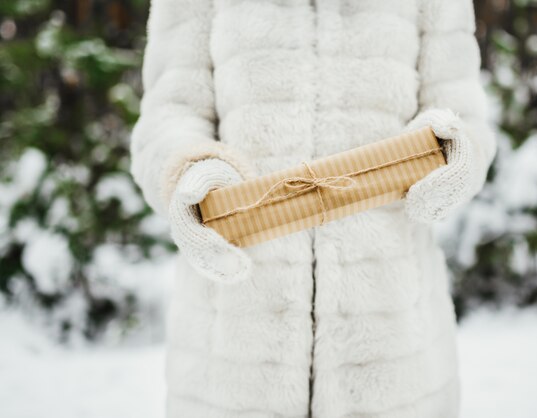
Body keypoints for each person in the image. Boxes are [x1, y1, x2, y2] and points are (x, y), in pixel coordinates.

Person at [130, 0, 496, 416]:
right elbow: (169, 115)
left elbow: (463, 115)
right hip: (234, 343)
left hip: (392, 341)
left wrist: (455, 156)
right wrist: (191, 175)